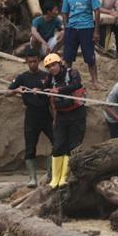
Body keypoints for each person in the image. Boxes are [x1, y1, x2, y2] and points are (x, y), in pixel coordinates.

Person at [7, 47, 53, 186]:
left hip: (46, 113)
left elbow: (53, 91)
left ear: (39, 60)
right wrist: (16, 90)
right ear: (26, 62)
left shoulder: (46, 76)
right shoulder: (22, 77)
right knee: (30, 147)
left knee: (57, 142)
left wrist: (42, 91)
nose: (32, 64)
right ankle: (32, 179)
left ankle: (50, 173)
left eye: (34, 61)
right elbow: (6, 92)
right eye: (29, 62)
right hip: (31, 115)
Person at [41, 53, 86, 189]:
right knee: (58, 145)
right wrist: (39, 91)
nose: (52, 68)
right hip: (61, 115)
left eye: (54, 65)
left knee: (73, 145)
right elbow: (46, 89)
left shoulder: (72, 73)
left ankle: (65, 177)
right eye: (48, 67)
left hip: (76, 114)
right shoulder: (50, 78)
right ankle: (55, 178)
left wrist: (59, 90)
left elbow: (76, 85)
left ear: (60, 63)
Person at [60, 0, 101, 84]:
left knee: (90, 57)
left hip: (86, 28)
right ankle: (66, 80)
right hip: (72, 28)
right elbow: (64, 11)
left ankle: (95, 81)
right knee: (68, 57)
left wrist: (96, 31)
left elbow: (97, 11)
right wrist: (66, 26)